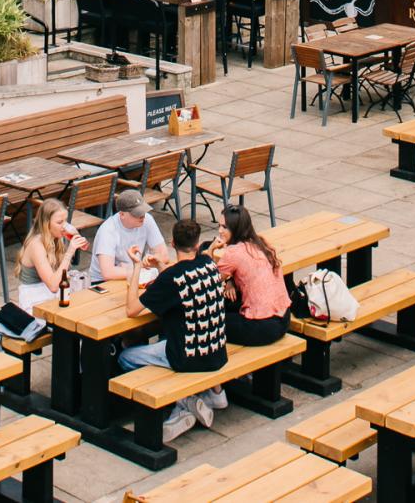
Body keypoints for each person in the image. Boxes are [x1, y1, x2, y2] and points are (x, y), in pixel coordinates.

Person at [118, 217, 229, 441]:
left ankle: (183, 400)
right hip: (217, 352)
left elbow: (131, 309)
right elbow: (181, 281)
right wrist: (161, 266)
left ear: (172, 243)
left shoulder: (171, 277)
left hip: (186, 356)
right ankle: (211, 396)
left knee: (125, 357)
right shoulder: (209, 265)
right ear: (197, 245)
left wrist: (137, 266)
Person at [0, 198, 84, 345]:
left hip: (51, 296)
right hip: (35, 302)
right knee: (73, 324)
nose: (64, 226)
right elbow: (53, 285)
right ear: (46, 223)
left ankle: (77, 363)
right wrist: (70, 252)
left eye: (66, 221)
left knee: (83, 313)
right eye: (59, 223)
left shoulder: (55, 238)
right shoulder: (36, 244)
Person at [213, 206, 291, 345]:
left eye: (224, 227)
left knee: (208, 321)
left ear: (236, 229)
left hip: (261, 327)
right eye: (219, 226)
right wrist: (230, 281)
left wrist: (210, 250)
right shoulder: (261, 243)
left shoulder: (233, 253)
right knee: (230, 304)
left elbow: (208, 282)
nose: (219, 231)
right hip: (284, 318)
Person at [91, 189, 170, 282]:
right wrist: (142, 266)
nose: (142, 216)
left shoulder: (147, 219)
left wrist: (138, 266)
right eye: (137, 213)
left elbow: (164, 256)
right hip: (103, 282)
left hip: (134, 273)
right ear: (122, 214)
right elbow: (108, 273)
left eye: (143, 211)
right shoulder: (108, 230)